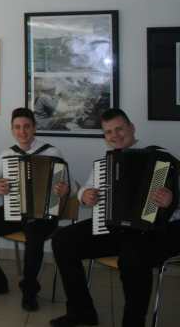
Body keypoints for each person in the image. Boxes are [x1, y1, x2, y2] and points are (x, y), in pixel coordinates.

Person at [49, 109, 180, 327]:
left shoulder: (162, 158)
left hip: (154, 230)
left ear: (132, 128)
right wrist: (85, 195)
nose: (114, 136)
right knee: (62, 240)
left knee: (132, 258)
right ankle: (82, 312)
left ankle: (133, 323)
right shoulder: (106, 163)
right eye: (108, 132)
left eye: (119, 129)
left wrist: (172, 199)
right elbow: (85, 190)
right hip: (116, 227)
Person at [0, 107, 69, 312]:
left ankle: (29, 291)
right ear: (12, 130)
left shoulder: (52, 153)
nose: (22, 131)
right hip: (14, 210)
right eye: (17, 127)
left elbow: (69, 186)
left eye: (27, 126)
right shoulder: (7, 154)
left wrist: (65, 190)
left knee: (34, 236)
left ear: (34, 128)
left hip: (44, 215)